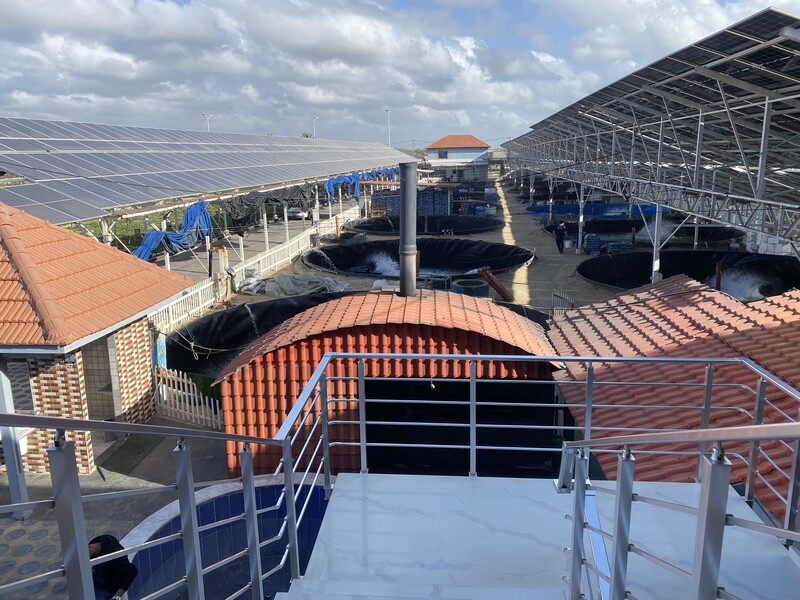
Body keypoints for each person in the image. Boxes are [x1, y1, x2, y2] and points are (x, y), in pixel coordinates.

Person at [89, 534, 138, 600]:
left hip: (107, 589)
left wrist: (116, 597)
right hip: (96, 583)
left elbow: (132, 572)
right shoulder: (95, 545)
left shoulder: (115, 555)